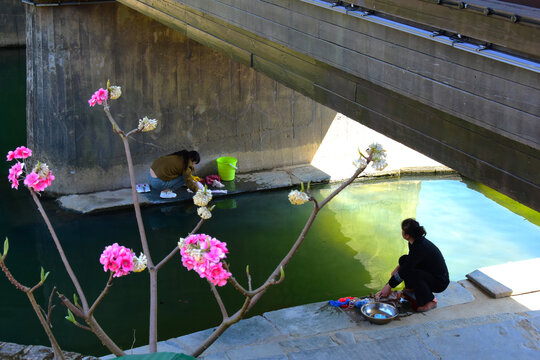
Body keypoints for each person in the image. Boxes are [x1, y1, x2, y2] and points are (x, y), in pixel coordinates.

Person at [376, 218, 449, 312]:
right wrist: (397, 268)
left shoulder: (420, 247)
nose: (401, 231)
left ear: (406, 235)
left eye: (402, 230)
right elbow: (409, 261)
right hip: (429, 272)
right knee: (403, 259)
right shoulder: (415, 241)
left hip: (439, 282)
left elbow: (407, 269)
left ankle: (430, 301)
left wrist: (389, 286)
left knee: (413, 273)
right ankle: (411, 288)